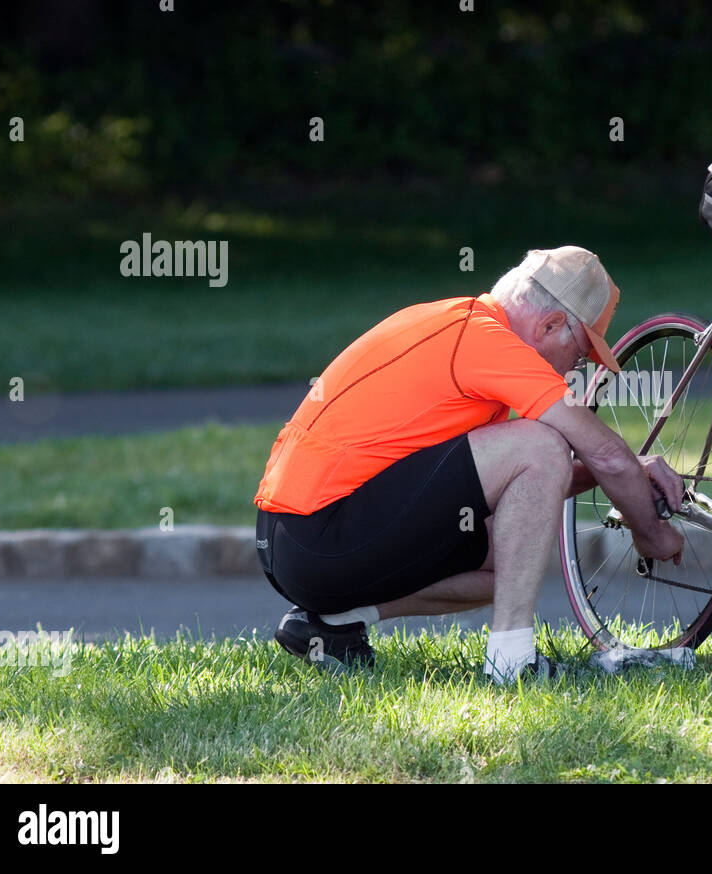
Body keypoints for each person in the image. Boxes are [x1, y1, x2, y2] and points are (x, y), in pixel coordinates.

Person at [253, 246, 685, 683]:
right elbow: (604, 454)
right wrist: (651, 533)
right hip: (317, 536)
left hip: (294, 539)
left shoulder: (456, 320)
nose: (577, 367)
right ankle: (512, 662)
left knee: (515, 549)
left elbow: (539, 483)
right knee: (542, 443)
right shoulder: (486, 341)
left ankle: (336, 624)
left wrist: (618, 471)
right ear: (550, 325)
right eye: (580, 353)